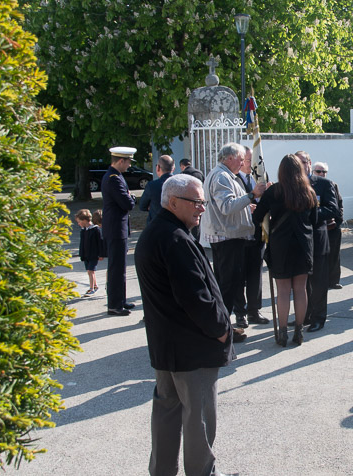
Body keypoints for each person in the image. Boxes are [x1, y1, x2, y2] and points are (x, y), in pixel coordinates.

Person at [134, 174, 236, 476]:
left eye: (203, 202)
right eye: (196, 202)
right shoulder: (174, 238)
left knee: (167, 411)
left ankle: (162, 470)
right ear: (173, 202)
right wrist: (221, 331)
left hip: (169, 347)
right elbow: (195, 297)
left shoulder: (158, 233)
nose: (201, 208)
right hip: (191, 348)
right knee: (199, 418)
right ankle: (202, 472)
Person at [253, 154, 318, 346]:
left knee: (283, 291)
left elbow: (257, 216)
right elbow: (313, 221)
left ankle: (282, 332)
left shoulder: (274, 191)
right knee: (300, 289)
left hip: (281, 245)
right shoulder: (309, 192)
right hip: (303, 244)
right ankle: (299, 331)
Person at [200, 142, 267, 328]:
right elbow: (227, 207)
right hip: (226, 238)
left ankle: (223, 326)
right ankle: (222, 327)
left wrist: (247, 206)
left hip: (228, 236)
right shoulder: (222, 177)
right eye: (240, 159)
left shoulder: (227, 175)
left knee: (227, 284)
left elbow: (230, 205)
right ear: (229, 158)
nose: (243, 162)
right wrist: (252, 195)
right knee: (228, 286)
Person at [294, 151, 338, 333]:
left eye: (305, 162)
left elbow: (332, 209)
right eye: (298, 163)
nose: (303, 165)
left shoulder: (324, 184)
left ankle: (319, 318)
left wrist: (309, 214)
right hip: (297, 241)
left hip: (318, 239)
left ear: (310, 164)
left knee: (318, 282)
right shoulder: (291, 186)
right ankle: (303, 316)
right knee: (301, 282)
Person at [232, 146, 270, 326]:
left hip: (257, 232)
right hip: (239, 235)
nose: (251, 164)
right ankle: (240, 313)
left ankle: (254, 310)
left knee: (255, 274)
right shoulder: (233, 179)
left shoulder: (258, 177)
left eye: (252, 160)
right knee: (239, 276)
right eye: (248, 160)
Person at [101, 146, 136, 316]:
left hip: (117, 228)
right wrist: (132, 198)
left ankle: (120, 300)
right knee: (116, 269)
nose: (129, 165)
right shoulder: (113, 178)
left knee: (120, 267)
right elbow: (127, 203)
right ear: (121, 161)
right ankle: (114, 305)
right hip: (115, 229)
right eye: (128, 161)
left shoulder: (116, 176)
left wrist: (129, 197)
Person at [312, 161, 345, 290]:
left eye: (324, 171)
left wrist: (337, 222)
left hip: (332, 227)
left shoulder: (332, 185)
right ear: (313, 172)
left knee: (334, 255)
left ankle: (333, 281)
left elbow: (339, 204)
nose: (322, 174)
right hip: (317, 227)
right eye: (319, 171)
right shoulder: (309, 185)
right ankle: (319, 281)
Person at [138, 155, 174, 226]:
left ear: (158, 168)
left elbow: (142, 206)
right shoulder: (180, 185)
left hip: (156, 227)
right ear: (173, 168)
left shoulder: (152, 186)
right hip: (176, 227)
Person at [76, 208, 104, 296]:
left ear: (84, 220)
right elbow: (82, 243)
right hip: (86, 254)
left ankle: (91, 288)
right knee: (90, 271)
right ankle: (95, 286)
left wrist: (101, 253)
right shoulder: (83, 231)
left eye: (79, 221)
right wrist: (81, 253)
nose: (78, 223)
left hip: (94, 254)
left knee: (90, 271)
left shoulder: (95, 230)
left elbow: (100, 242)